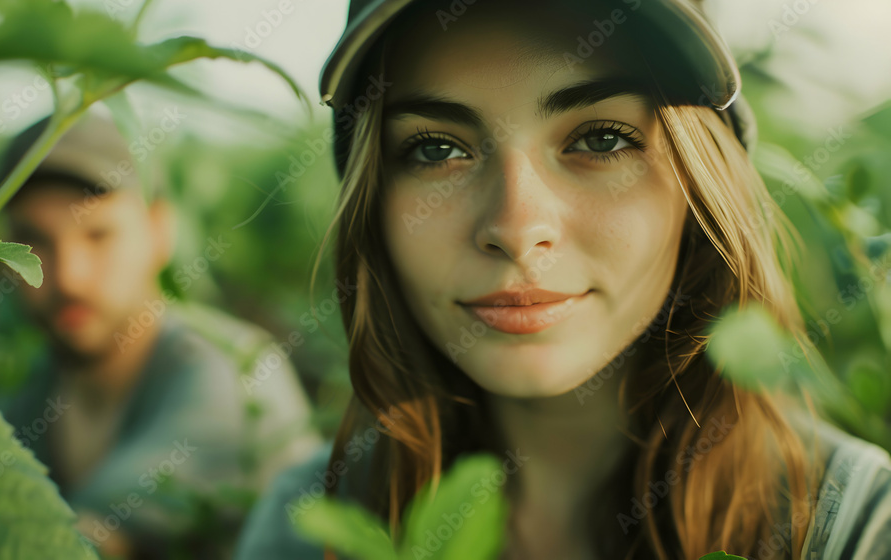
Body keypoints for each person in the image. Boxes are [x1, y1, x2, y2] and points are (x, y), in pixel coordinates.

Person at [235, 0, 891, 559]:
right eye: (436, 149)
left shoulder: (853, 525)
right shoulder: (308, 528)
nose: (517, 228)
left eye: (601, 139)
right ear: (372, 203)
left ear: (701, 185)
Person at [0, 112, 322, 558]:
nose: (69, 277)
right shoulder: (36, 389)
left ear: (159, 231)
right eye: (32, 242)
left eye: (99, 235)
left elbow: (82, 544)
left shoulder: (231, 371)